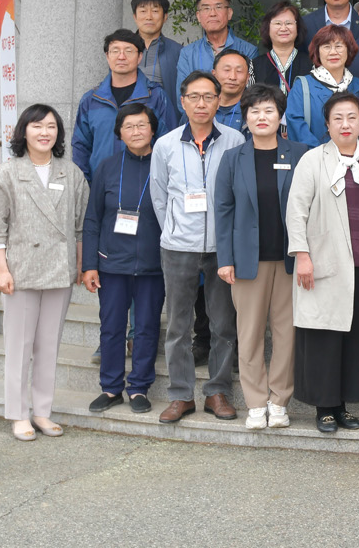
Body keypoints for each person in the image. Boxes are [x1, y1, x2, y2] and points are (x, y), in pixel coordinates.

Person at [0, 104, 89, 441]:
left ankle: (42, 411)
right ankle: (18, 413)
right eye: (37, 126)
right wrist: (1, 270)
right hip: (21, 271)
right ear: (23, 131)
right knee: (19, 346)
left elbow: (80, 226)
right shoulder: (6, 174)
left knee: (49, 345)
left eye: (51, 126)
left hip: (59, 270)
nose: (45, 132)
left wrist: (79, 265)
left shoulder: (71, 173)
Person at [150, 70, 246, 424]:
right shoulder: (166, 144)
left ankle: (218, 392)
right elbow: (160, 195)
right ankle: (180, 394)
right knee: (178, 326)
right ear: (183, 101)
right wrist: (174, 230)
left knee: (223, 324)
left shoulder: (235, 140)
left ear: (219, 101)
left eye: (208, 96)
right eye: (194, 96)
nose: (201, 103)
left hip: (223, 248)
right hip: (179, 247)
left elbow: (240, 193)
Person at [285, 91, 359, 435]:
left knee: (354, 337)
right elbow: (296, 210)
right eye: (337, 118)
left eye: (352, 117)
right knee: (323, 336)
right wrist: (302, 255)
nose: (345, 124)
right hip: (323, 262)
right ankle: (325, 408)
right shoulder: (312, 160)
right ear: (327, 125)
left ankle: (344, 405)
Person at [214, 84, 305, 431]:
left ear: (280, 116)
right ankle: (255, 403)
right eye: (255, 111)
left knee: (286, 334)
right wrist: (225, 258)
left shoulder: (300, 154)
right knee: (249, 333)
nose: (262, 117)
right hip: (246, 262)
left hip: (289, 260)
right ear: (246, 117)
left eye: (269, 110)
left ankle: (279, 401)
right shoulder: (232, 158)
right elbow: (223, 210)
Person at [80, 103, 165, 415]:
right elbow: (92, 219)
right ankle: (111, 387)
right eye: (128, 126)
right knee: (112, 327)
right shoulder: (107, 167)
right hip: (112, 262)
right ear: (119, 132)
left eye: (142, 125)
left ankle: (139, 387)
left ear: (153, 129)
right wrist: (89, 265)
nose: (136, 131)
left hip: (153, 263)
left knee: (146, 327)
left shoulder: (164, 165)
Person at [71, 29, 175, 184]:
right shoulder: (91, 100)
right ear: (107, 56)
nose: (121, 56)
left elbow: (169, 144)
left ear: (140, 57)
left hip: (144, 185)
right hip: (101, 185)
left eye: (128, 51)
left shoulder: (155, 97)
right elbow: (80, 147)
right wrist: (85, 186)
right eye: (115, 51)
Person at [285, 25, 359, 148]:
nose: (333, 52)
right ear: (317, 52)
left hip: (354, 156)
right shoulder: (302, 86)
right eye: (326, 46)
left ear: (349, 50)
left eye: (339, 46)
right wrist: (322, 154)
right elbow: (296, 126)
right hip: (313, 157)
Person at [175, 0, 259, 87]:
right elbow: (183, 93)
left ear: (229, 13)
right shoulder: (188, 53)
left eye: (218, 7)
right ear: (198, 16)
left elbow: (252, 92)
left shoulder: (248, 50)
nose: (212, 13)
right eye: (206, 8)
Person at [132, 0, 183, 102]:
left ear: (165, 17)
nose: (149, 17)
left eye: (155, 11)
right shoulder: (123, 49)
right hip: (128, 111)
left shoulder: (178, 51)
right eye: (143, 11)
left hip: (164, 111)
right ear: (135, 17)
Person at [253, 0, 309, 96]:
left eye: (289, 23)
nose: (283, 28)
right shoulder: (254, 65)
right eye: (277, 23)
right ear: (268, 28)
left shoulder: (312, 65)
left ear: (298, 27)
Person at [211, 48, 252, 132]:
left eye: (239, 71)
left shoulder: (255, 111)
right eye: (227, 70)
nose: (232, 77)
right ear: (214, 75)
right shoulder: (200, 107)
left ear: (247, 78)